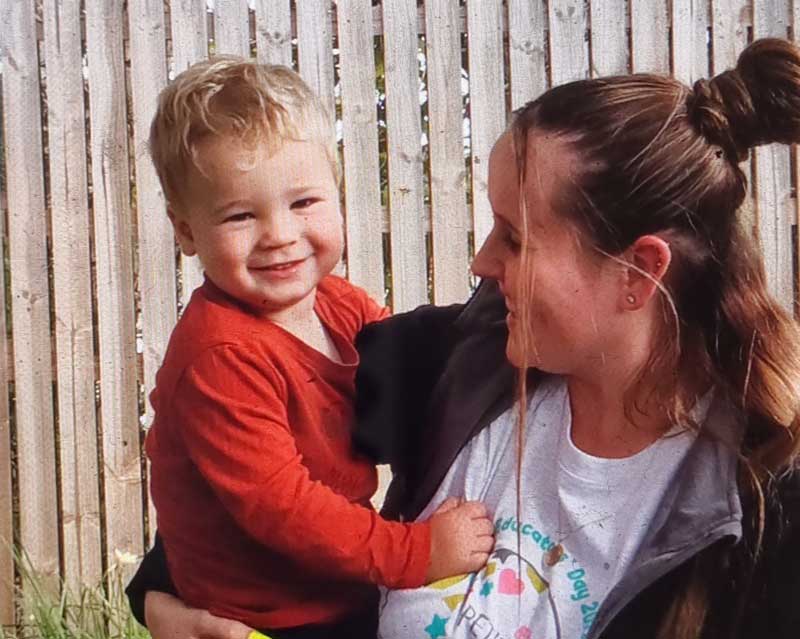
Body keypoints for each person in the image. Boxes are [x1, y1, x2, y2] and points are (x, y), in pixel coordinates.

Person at [129, 38, 800, 638]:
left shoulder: (765, 502)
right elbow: (248, 483)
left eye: (514, 237)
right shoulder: (463, 361)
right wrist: (163, 595)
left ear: (638, 272)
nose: (480, 262)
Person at [136, 56, 494, 639]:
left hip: (332, 585)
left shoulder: (338, 304)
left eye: (303, 203)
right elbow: (286, 510)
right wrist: (418, 553)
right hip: (265, 616)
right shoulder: (221, 356)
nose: (279, 234)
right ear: (185, 231)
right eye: (239, 215)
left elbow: (411, 376)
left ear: (336, 193)